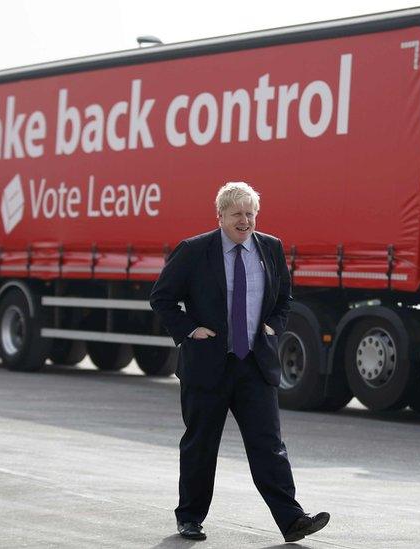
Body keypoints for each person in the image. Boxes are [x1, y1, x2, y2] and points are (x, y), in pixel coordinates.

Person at [149, 181, 329, 543]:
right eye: (237, 215)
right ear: (220, 217)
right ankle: (190, 518)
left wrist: (272, 327)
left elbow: (284, 300)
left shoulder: (271, 249)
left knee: (269, 445)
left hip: (254, 364)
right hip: (208, 365)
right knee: (201, 444)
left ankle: (292, 520)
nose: (245, 221)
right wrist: (189, 330)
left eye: (250, 214)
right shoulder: (195, 250)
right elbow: (162, 297)